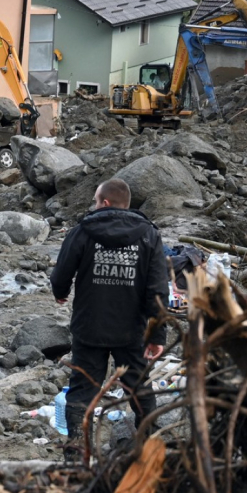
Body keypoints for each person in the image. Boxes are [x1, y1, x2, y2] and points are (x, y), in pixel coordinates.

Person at [49, 179, 169, 439]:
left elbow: (61, 274)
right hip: (131, 330)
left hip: (89, 326)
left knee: (82, 392)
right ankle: (148, 446)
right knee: (139, 388)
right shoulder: (149, 234)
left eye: (95, 201)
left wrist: (60, 293)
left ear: (104, 202)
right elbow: (158, 289)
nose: (94, 206)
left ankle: (78, 453)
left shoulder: (83, 230)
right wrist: (158, 335)